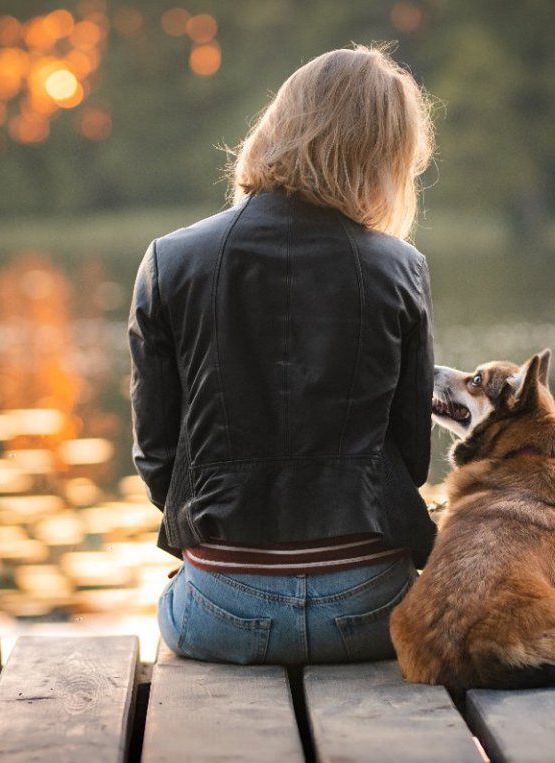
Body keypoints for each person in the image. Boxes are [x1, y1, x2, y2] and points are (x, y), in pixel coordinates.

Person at [129, 45, 437, 665]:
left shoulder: (170, 260)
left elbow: (157, 456)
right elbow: (412, 454)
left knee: (176, 601)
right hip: (373, 610)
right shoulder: (400, 268)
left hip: (222, 612)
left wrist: (227, 548)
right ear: (385, 158)